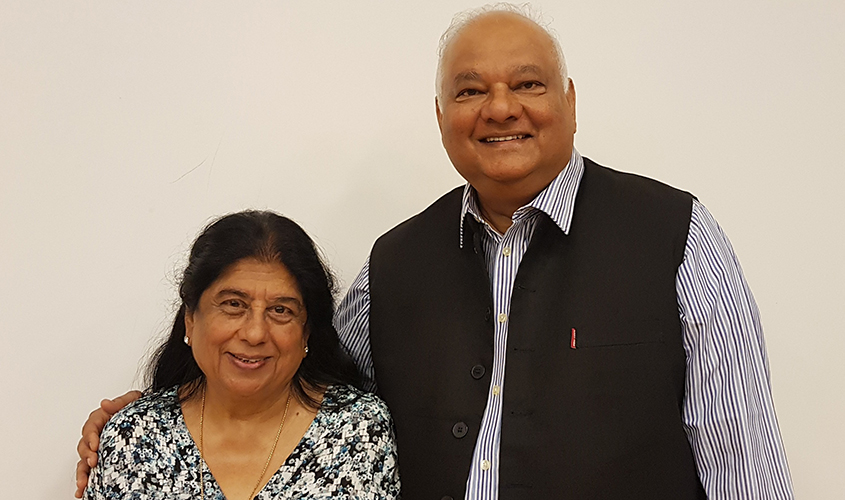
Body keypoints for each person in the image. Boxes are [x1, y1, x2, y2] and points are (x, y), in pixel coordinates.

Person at [77, 4, 793, 499]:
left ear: (571, 102)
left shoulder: (675, 235)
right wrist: (160, 416)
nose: (501, 107)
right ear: (442, 115)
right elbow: (297, 377)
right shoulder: (395, 264)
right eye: (470, 90)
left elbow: (742, 459)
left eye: (528, 84)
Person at [81, 210, 400, 500]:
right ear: (190, 318)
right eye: (233, 304)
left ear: (306, 332)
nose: (255, 333)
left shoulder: (358, 432)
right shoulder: (133, 438)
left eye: (281, 310)